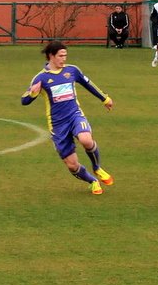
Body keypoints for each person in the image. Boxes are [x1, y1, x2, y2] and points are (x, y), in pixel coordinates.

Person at [21, 41, 114, 195]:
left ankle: (97, 168)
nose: (64, 59)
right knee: (72, 165)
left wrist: (105, 99)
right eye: (60, 56)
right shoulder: (41, 78)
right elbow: (24, 101)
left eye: (65, 55)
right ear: (51, 56)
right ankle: (92, 181)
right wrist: (32, 94)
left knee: (86, 139)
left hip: (74, 116)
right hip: (57, 125)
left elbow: (88, 84)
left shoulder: (72, 71)